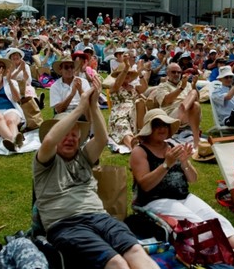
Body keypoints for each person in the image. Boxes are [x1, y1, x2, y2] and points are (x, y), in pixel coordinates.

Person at [33, 76, 159, 269]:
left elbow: (102, 138)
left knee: (135, 251)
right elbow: (49, 141)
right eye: (65, 134)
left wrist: (92, 104)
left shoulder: (83, 156)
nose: (70, 139)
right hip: (66, 225)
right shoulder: (45, 160)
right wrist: (79, 107)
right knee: (116, 262)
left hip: (100, 217)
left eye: (75, 135)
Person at [129, 109, 234, 268]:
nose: (162, 128)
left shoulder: (172, 145)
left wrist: (185, 163)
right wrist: (166, 164)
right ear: (148, 130)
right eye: (156, 125)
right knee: (198, 225)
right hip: (156, 200)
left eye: (165, 124)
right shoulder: (140, 151)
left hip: (183, 196)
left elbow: (193, 179)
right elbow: (145, 184)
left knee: (217, 220)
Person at [153, 62, 202, 147]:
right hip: (171, 114)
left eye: (179, 72)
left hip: (186, 113)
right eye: (173, 72)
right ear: (167, 73)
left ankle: (184, 109)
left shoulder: (187, 84)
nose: (176, 74)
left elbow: (197, 100)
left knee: (196, 103)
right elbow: (166, 101)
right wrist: (181, 88)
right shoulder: (162, 86)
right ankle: (196, 139)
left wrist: (194, 85)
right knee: (193, 99)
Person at [108, 61, 148, 149]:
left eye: (129, 74)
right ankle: (132, 145)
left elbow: (145, 87)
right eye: (124, 73)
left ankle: (141, 136)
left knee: (141, 103)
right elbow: (118, 83)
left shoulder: (133, 87)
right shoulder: (114, 87)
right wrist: (126, 68)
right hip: (120, 111)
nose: (127, 75)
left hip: (135, 112)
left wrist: (140, 73)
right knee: (122, 124)